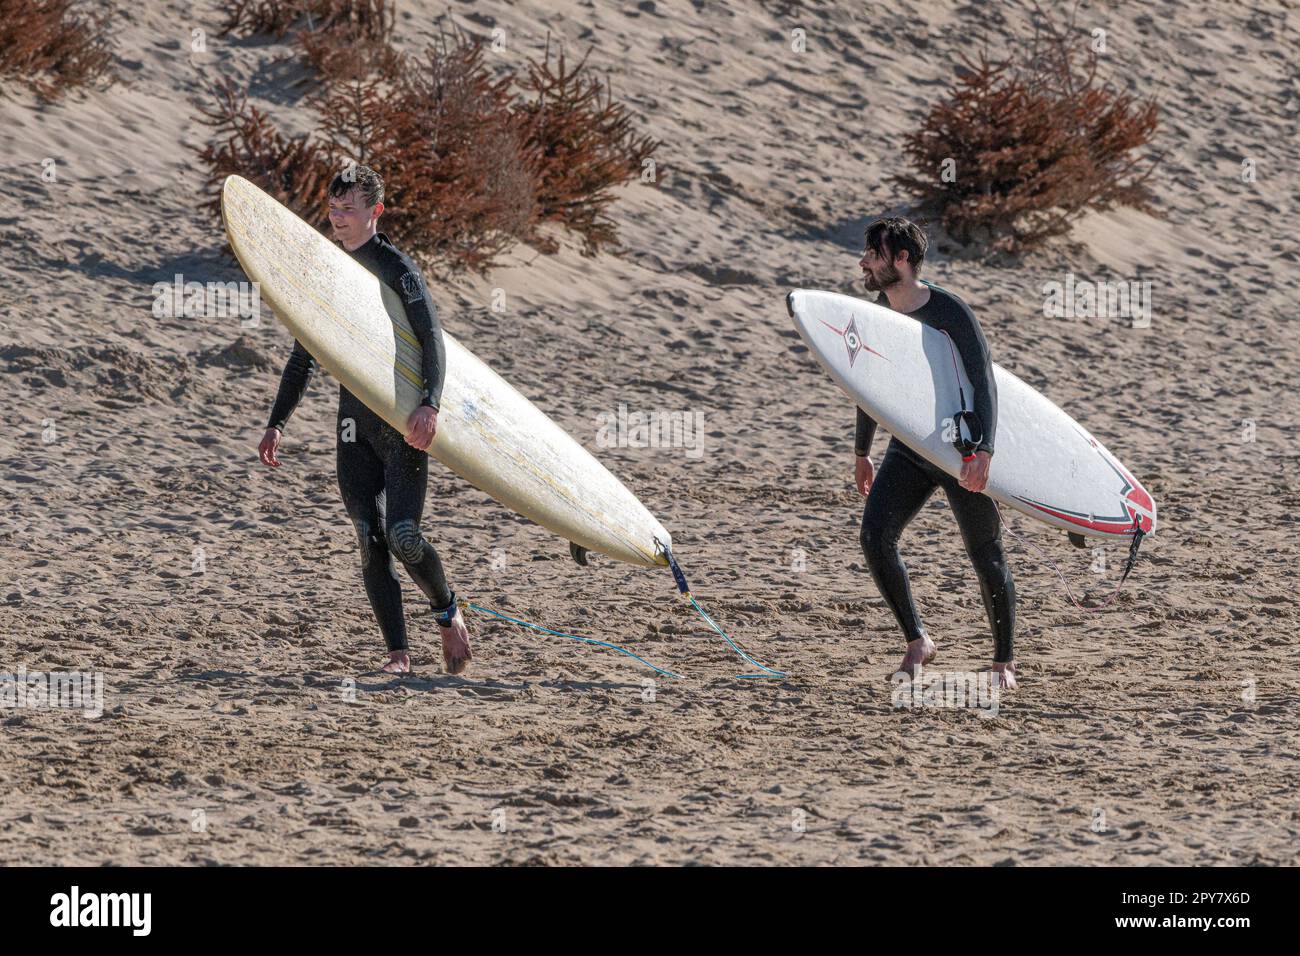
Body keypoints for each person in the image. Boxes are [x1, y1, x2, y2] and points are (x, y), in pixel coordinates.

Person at [256, 166, 472, 676]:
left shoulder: (398, 268)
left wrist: (430, 403)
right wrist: (277, 422)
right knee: (368, 539)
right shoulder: (328, 271)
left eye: (347, 211)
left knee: (403, 535)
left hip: (401, 425)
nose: (337, 220)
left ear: (375, 212)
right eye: (331, 210)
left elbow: (434, 341)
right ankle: (397, 655)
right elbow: (303, 353)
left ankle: (447, 611)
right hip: (353, 427)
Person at [853, 218, 1016, 689]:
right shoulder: (881, 312)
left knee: (985, 550)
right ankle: (918, 639)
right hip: (911, 447)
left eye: (874, 254)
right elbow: (868, 386)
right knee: (875, 536)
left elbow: (984, 381)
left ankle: (1004, 660)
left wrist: (984, 449)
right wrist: (863, 451)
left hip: (960, 449)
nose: (864, 261)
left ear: (901, 260)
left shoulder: (950, 312)